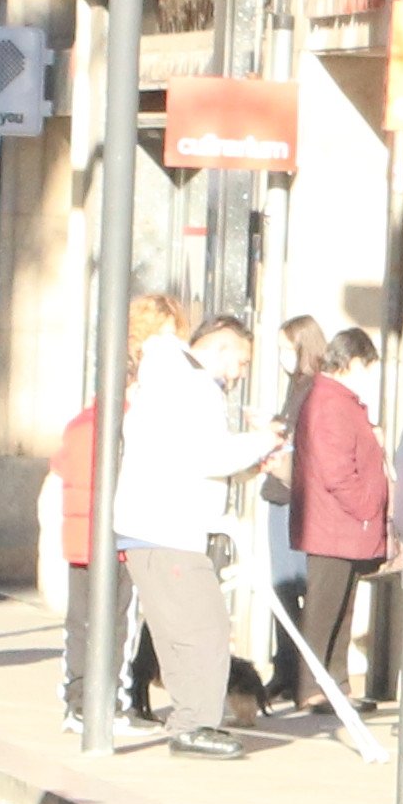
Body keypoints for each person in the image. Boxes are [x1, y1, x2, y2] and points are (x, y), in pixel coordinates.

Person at [117, 303, 273, 755]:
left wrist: (245, 464)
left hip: (155, 526)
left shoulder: (165, 380)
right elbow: (211, 456)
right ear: (221, 348)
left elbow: (193, 458)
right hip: (169, 528)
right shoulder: (193, 385)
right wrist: (267, 439)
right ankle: (194, 723)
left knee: (180, 631)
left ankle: (191, 721)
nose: (241, 373)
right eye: (241, 361)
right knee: (205, 629)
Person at [286, 320, 393, 690]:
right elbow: (337, 471)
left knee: (341, 611)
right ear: (352, 362)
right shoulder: (330, 402)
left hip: (340, 527)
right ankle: (315, 688)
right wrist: (368, 506)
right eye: (368, 368)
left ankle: (334, 684)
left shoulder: (339, 401)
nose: (369, 377)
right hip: (335, 525)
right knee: (324, 613)